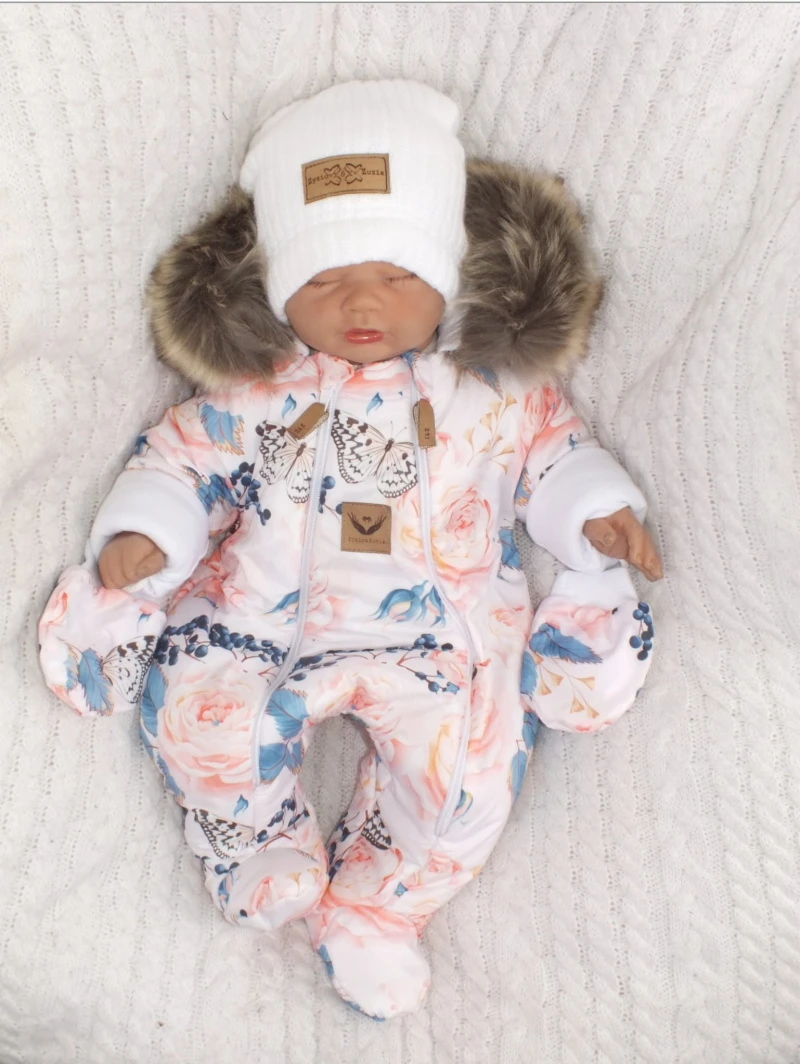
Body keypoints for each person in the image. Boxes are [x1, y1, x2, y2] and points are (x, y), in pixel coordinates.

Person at [40, 80, 661, 1019]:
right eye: (324, 279)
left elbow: (553, 453)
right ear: (277, 287)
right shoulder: (253, 390)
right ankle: (258, 846)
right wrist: (148, 531)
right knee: (204, 715)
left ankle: (378, 910)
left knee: (466, 780)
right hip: (262, 624)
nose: (362, 300)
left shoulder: (492, 389)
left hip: (442, 640)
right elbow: (181, 460)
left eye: (399, 274)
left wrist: (594, 510)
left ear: (450, 273)